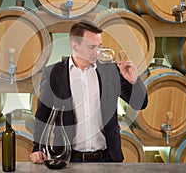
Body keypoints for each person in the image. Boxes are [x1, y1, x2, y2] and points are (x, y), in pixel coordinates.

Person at [30, 20, 148, 163]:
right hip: (68, 159)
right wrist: (37, 148)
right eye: (91, 47)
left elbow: (139, 104)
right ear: (75, 46)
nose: (97, 52)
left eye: (99, 47)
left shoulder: (110, 71)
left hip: (107, 158)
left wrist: (134, 81)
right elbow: (43, 114)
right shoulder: (53, 73)